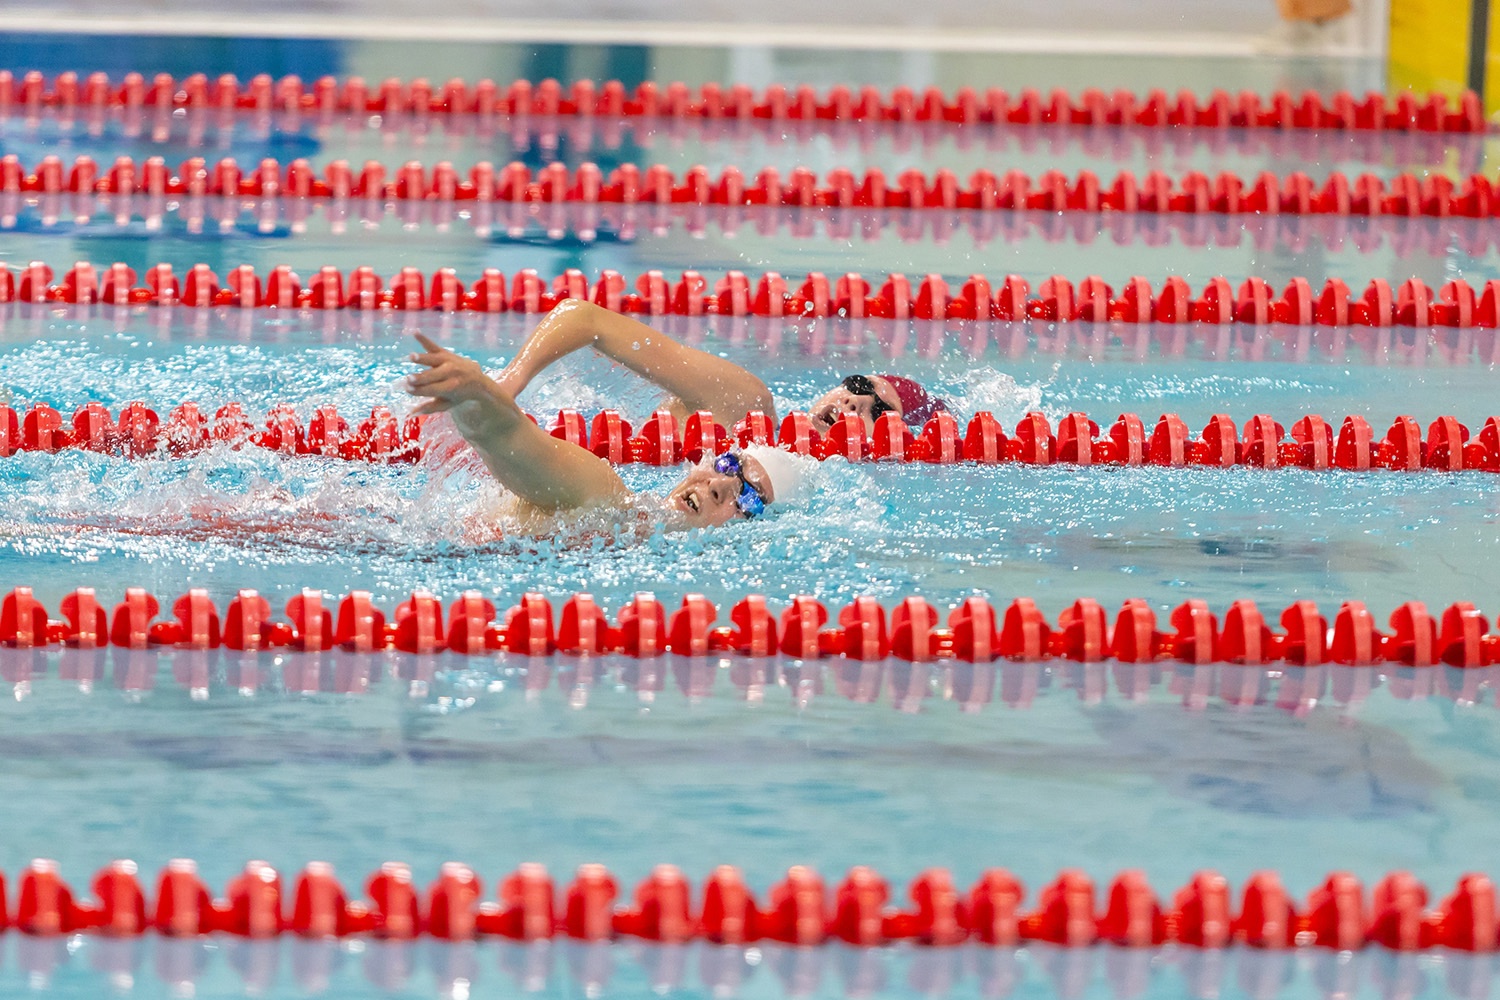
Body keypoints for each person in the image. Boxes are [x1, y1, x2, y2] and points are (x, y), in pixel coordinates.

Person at [406, 299, 948, 531]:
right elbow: (585, 318)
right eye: (859, 386)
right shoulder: (743, 408)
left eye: (879, 411)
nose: (857, 403)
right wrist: (503, 388)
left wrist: (486, 408)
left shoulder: (634, 514)